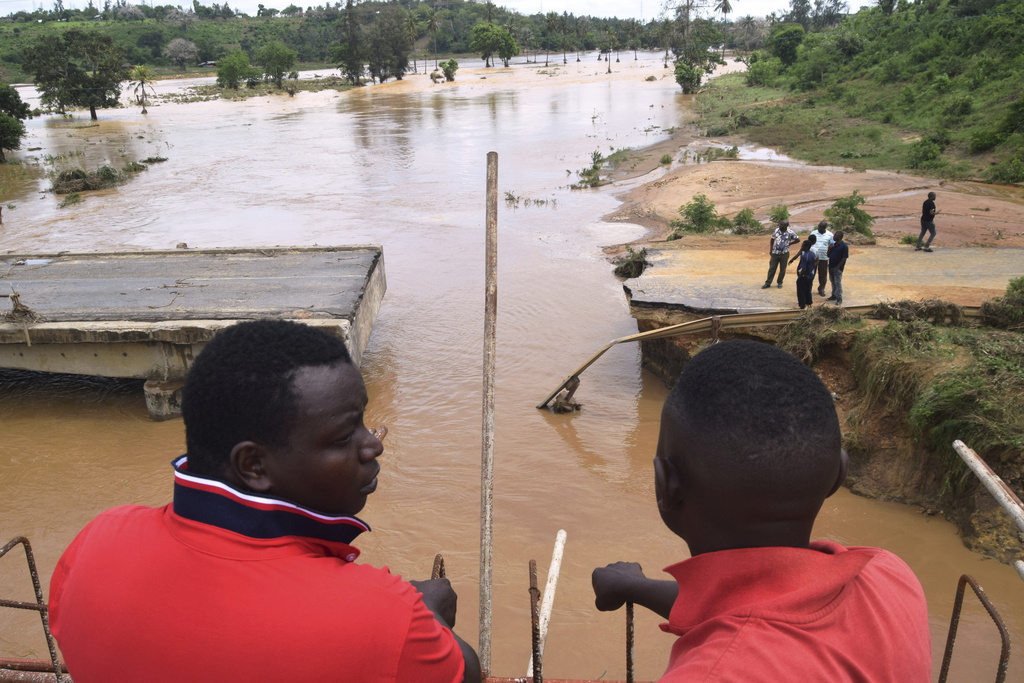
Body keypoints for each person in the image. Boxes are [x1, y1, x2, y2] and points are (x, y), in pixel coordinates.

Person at [48, 319, 481, 683]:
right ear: (253, 465)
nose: (373, 445)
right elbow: (467, 670)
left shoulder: (97, 539)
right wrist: (426, 615)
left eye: (365, 422)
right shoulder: (382, 617)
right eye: (344, 435)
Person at [590, 340, 931, 682]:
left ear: (667, 486)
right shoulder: (890, 575)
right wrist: (637, 587)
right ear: (838, 477)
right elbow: (752, 602)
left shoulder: (711, 674)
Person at [761, 219, 800, 289]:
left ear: (786, 226)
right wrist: (771, 249)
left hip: (784, 253)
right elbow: (772, 239)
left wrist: (789, 244)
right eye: (780, 224)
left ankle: (780, 282)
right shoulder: (776, 230)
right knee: (772, 268)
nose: (780, 225)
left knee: (782, 269)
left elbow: (798, 240)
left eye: (782, 224)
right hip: (775, 253)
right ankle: (768, 283)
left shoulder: (790, 232)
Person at [789, 234, 817, 310]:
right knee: (808, 290)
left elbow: (803, 268)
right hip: (810, 275)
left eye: (803, 246)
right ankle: (809, 303)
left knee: (801, 290)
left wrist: (800, 277)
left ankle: (802, 305)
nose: (802, 247)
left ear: (807, 247)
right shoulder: (812, 254)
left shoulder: (805, 256)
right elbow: (816, 261)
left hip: (804, 276)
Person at [811, 220, 834, 296]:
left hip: (824, 258)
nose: (819, 228)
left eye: (820, 227)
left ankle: (821, 289)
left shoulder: (830, 235)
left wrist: (830, 254)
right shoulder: (813, 233)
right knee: (811, 273)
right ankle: (808, 288)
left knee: (823, 274)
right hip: (813, 257)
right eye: (818, 226)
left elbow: (832, 245)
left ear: (825, 227)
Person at [826, 230, 849, 305]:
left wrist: (838, 267)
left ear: (839, 237)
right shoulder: (833, 245)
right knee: (833, 282)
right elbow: (828, 255)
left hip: (837, 268)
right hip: (831, 266)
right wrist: (829, 248)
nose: (833, 237)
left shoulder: (844, 246)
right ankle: (834, 295)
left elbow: (844, 258)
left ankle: (839, 299)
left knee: (837, 283)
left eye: (835, 235)